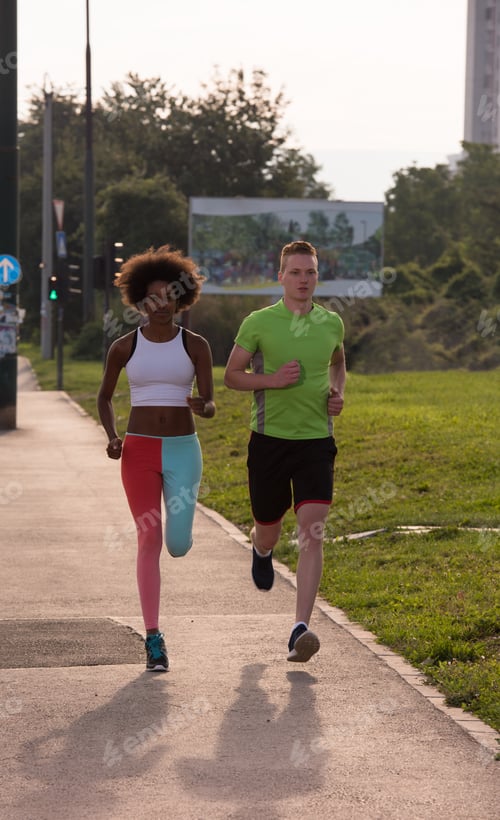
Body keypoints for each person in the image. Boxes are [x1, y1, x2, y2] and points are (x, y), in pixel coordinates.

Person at [224, 240, 345, 663]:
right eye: (295, 272)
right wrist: (273, 381)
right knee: (269, 524)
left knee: (313, 530)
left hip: (315, 441)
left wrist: (337, 395)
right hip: (269, 441)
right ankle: (261, 549)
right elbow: (232, 377)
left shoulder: (332, 323)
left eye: (310, 272)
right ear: (281, 277)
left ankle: (300, 629)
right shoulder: (259, 323)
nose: (304, 280)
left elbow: (337, 363)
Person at [97, 245, 216, 672]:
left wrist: (205, 407)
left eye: (169, 295)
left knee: (177, 545)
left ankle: (180, 537)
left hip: (184, 450)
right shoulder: (124, 348)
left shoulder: (197, 346)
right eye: (152, 297)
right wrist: (113, 436)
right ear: (139, 301)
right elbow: (105, 397)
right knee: (148, 540)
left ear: (181, 298)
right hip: (140, 452)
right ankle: (153, 638)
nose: (161, 304)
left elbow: (209, 402)